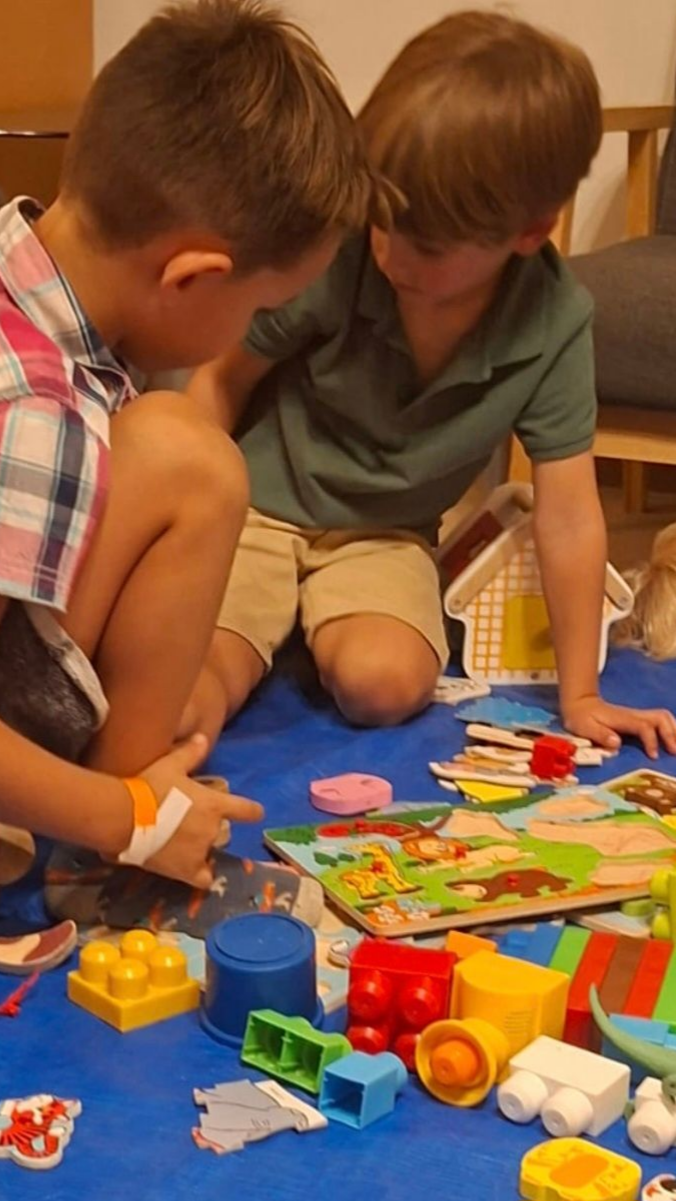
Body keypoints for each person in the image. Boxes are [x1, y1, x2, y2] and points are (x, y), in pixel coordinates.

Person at [188, 9, 676, 760]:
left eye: (427, 246)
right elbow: (221, 375)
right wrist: (188, 512)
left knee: (383, 684)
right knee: (194, 682)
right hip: (253, 504)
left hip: (383, 532)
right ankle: (254, 639)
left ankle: (303, 626)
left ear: (529, 233)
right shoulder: (344, 249)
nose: (390, 253)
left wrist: (579, 693)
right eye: (381, 223)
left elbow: (571, 514)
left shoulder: (552, 322)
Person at [0, 0, 375, 892]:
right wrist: (128, 818)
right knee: (196, 461)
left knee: (175, 448)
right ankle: (118, 812)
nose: (254, 330)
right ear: (192, 276)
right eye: (258, 307)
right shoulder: (37, 406)